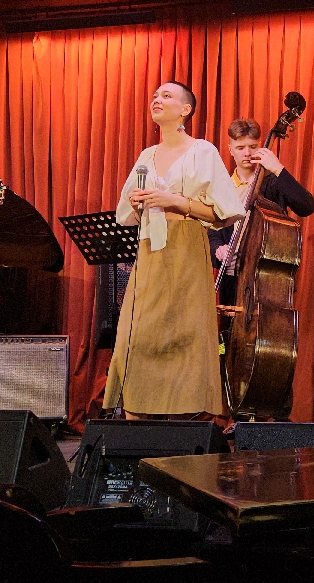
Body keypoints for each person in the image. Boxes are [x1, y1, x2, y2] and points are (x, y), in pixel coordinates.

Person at [102, 81, 245, 419]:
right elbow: (125, 214)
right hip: (150, 250)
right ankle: (136, 421)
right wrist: (138, 203)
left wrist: (177, 201)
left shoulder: (202, 151)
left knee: (184, 335)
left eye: (167, 95)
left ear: (185, 110)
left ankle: (180, 424)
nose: (157, 99)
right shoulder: (146, 156)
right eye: (155, 95)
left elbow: (224, 214)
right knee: (138, 335)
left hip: (186, 247)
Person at [209, 118, 314, 306]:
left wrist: (278, 169)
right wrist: (219, 250)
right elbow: (212, 233)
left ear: (261, 146)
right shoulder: (222, 188)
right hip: (232, 281)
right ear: (230, 149)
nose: (247, 153)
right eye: (240, 148)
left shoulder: (273, 182)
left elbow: (306, 206)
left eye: (253, 146)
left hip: (268, 281)